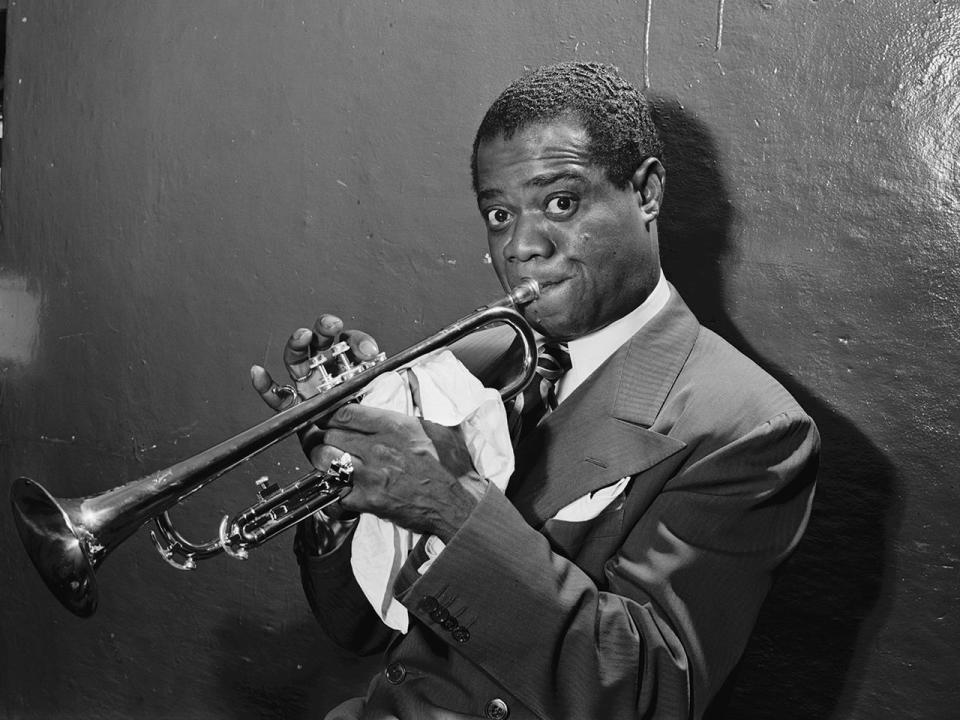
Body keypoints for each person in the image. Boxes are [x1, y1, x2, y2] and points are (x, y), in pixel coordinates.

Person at [251, 62, 819, 720]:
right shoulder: (471, 360)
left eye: (561, 202)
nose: (520, 245)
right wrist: (348, 495)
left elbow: (650, 696)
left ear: (647, 192)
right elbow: (362, 632)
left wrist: (447, 501)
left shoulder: (751, 427)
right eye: (498, 214)